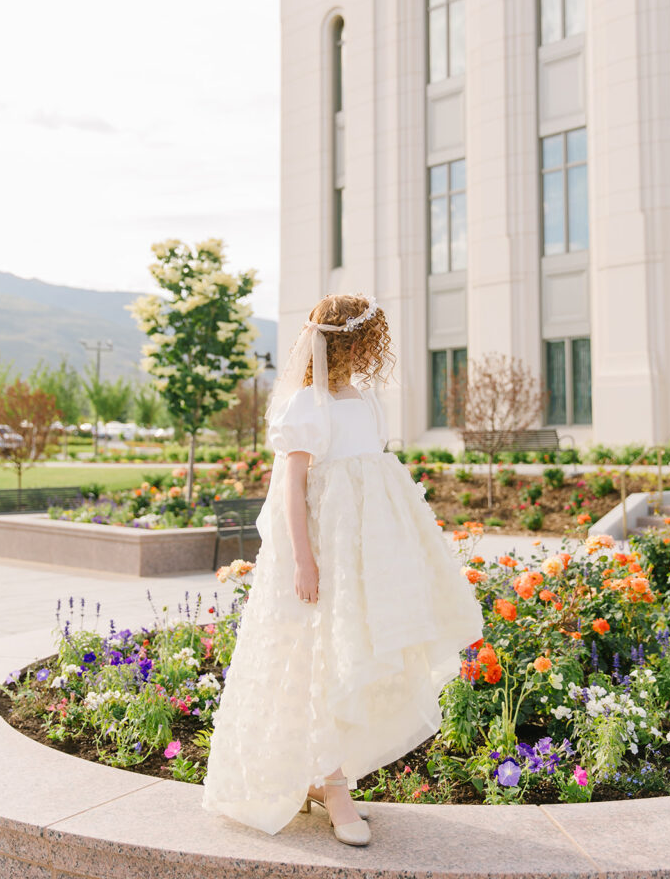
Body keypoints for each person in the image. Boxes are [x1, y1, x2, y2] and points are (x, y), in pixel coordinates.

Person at [201, 293, 484, 845]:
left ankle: (327, 772)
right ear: (345, 342)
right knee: (318, 656)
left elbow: (373, 478)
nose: (370, 351)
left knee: (349, 650)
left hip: (362, 554)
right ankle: (332, 786)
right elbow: (293, 489)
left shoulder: (363, 399)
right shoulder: (309, 405)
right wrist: (305, 561)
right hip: (322, 552)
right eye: (364, 340)